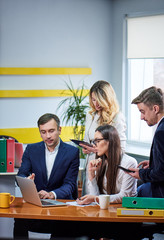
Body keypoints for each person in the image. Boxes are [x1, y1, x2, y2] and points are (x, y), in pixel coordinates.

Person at [14, 113, 79, 239]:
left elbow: (70, 184)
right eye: (43, 132)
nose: (47, 136)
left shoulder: (72, 152)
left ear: (59, 130)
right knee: (19, 218)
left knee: (64, 227)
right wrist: (26, 181)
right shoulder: (31, 149)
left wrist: (52, 194)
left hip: (61, 205)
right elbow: (21, 174)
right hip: (36, 203)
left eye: (51, 131)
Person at [80, 80, 127, 195]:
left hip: (106, 166)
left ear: (107, 99)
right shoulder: (90, 115)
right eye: (93, 99)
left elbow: (121, 149)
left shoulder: (117, 117)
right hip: (91, 163)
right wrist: (86, 148)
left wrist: (96, 149)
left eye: (99, 100)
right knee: (88, 201)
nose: (96, 104)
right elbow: (88, 140)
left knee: (102, 201)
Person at [77, 124, 137, 205]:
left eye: (98, 141)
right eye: (94, 141)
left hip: (124, 210)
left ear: (110, 141)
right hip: (105, 209)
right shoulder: (99, 162)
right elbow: (95, 198)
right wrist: (92, 176)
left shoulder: (129, 163)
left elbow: (125, 196)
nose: (94, 145)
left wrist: (97, 199)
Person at [128, 86, 164, 198]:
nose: (141, 117)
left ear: (155, 109)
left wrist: (141, 174)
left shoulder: (161, 132)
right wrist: (154, 163)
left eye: (142, 112)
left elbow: (161, 173)